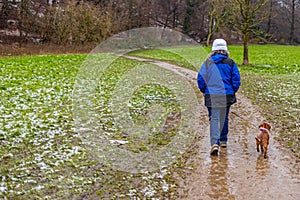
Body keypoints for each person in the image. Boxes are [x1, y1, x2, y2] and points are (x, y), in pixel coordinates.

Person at [197, 38, 241, 155]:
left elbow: (201, 78)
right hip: (226, 95)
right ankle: (223, 140)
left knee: (214, 118)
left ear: (213, 50)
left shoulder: (207, 63)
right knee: (224, 117)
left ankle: (214, 143)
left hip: (211, 95)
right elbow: (236, 79)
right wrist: (232, 90)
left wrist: (204, 90)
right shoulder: (230, 63)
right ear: (225, 50)